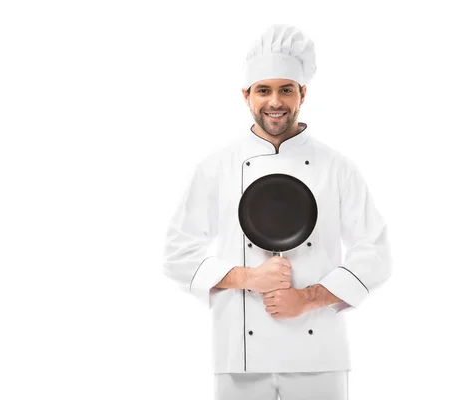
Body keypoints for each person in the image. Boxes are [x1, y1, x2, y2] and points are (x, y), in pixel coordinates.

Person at [162, 24, 392, 400]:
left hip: (320, 356)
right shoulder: (215, 167)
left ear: (303, 93)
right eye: (263, 90)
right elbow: (177, 254)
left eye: (286, 89)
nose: (275, 101)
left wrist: (309, 298)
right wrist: (248, 277)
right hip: (239, 353)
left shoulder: (336, 167)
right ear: (245, 95)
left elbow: (375, 253)